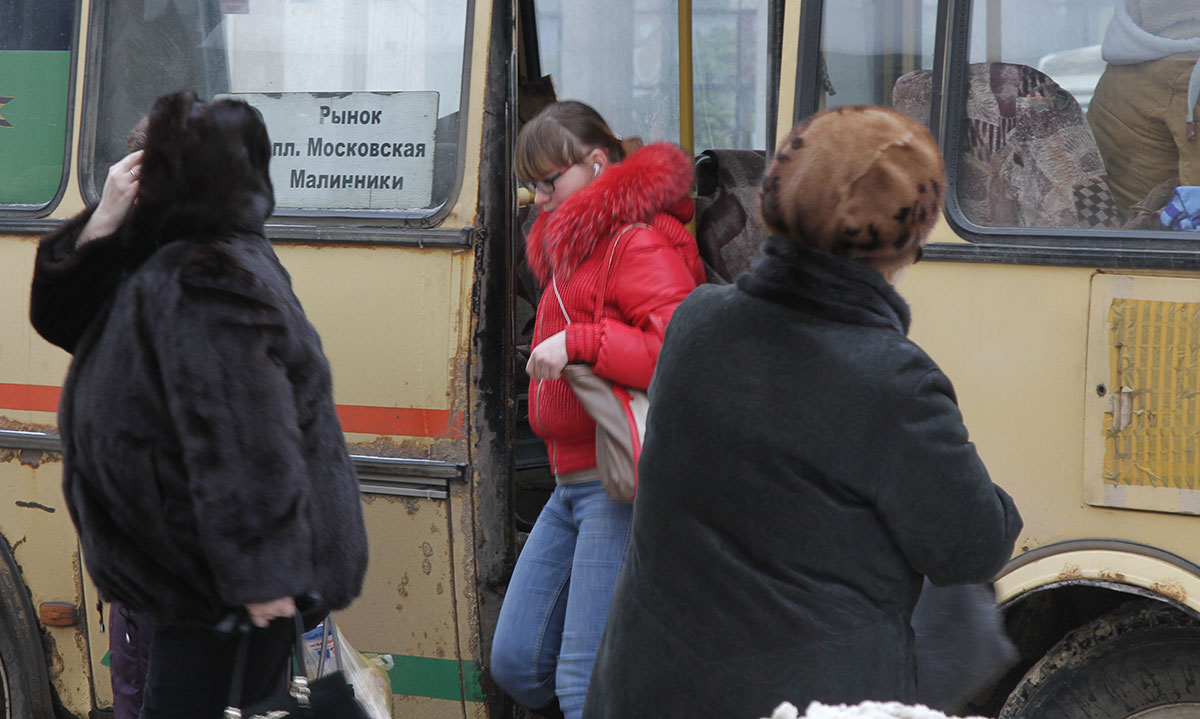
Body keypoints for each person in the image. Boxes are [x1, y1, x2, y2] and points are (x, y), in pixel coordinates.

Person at [582, 106, 1024, 719]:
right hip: (803, 700)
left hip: (646, 689)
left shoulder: (697, 322)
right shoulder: (893, 380)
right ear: (906, 247)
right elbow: (973, 548)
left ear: (774, 205)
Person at [29, 91, 369, 719]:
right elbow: (64, 321)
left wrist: (263, 575)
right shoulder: (179, 260)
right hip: (197, 576)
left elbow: (247, 433)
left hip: (220, 585)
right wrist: (98, 224)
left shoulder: (205, 274)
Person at [489, 100, 702, 719]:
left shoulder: (635, 242)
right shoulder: (574, 248)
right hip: (571, 481)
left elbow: (679, 354)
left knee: (583, 686)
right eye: (530, 185)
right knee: (517, 661)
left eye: (549, 182)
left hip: (617, 482)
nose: (538, 199)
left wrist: (581, 341)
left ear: (598, 163)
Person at [1087, 0, 1200, 217]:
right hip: (1150, 228)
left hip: (1114, 221)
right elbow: (1196, 193)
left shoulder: (1134, 56)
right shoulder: (1188, 72)